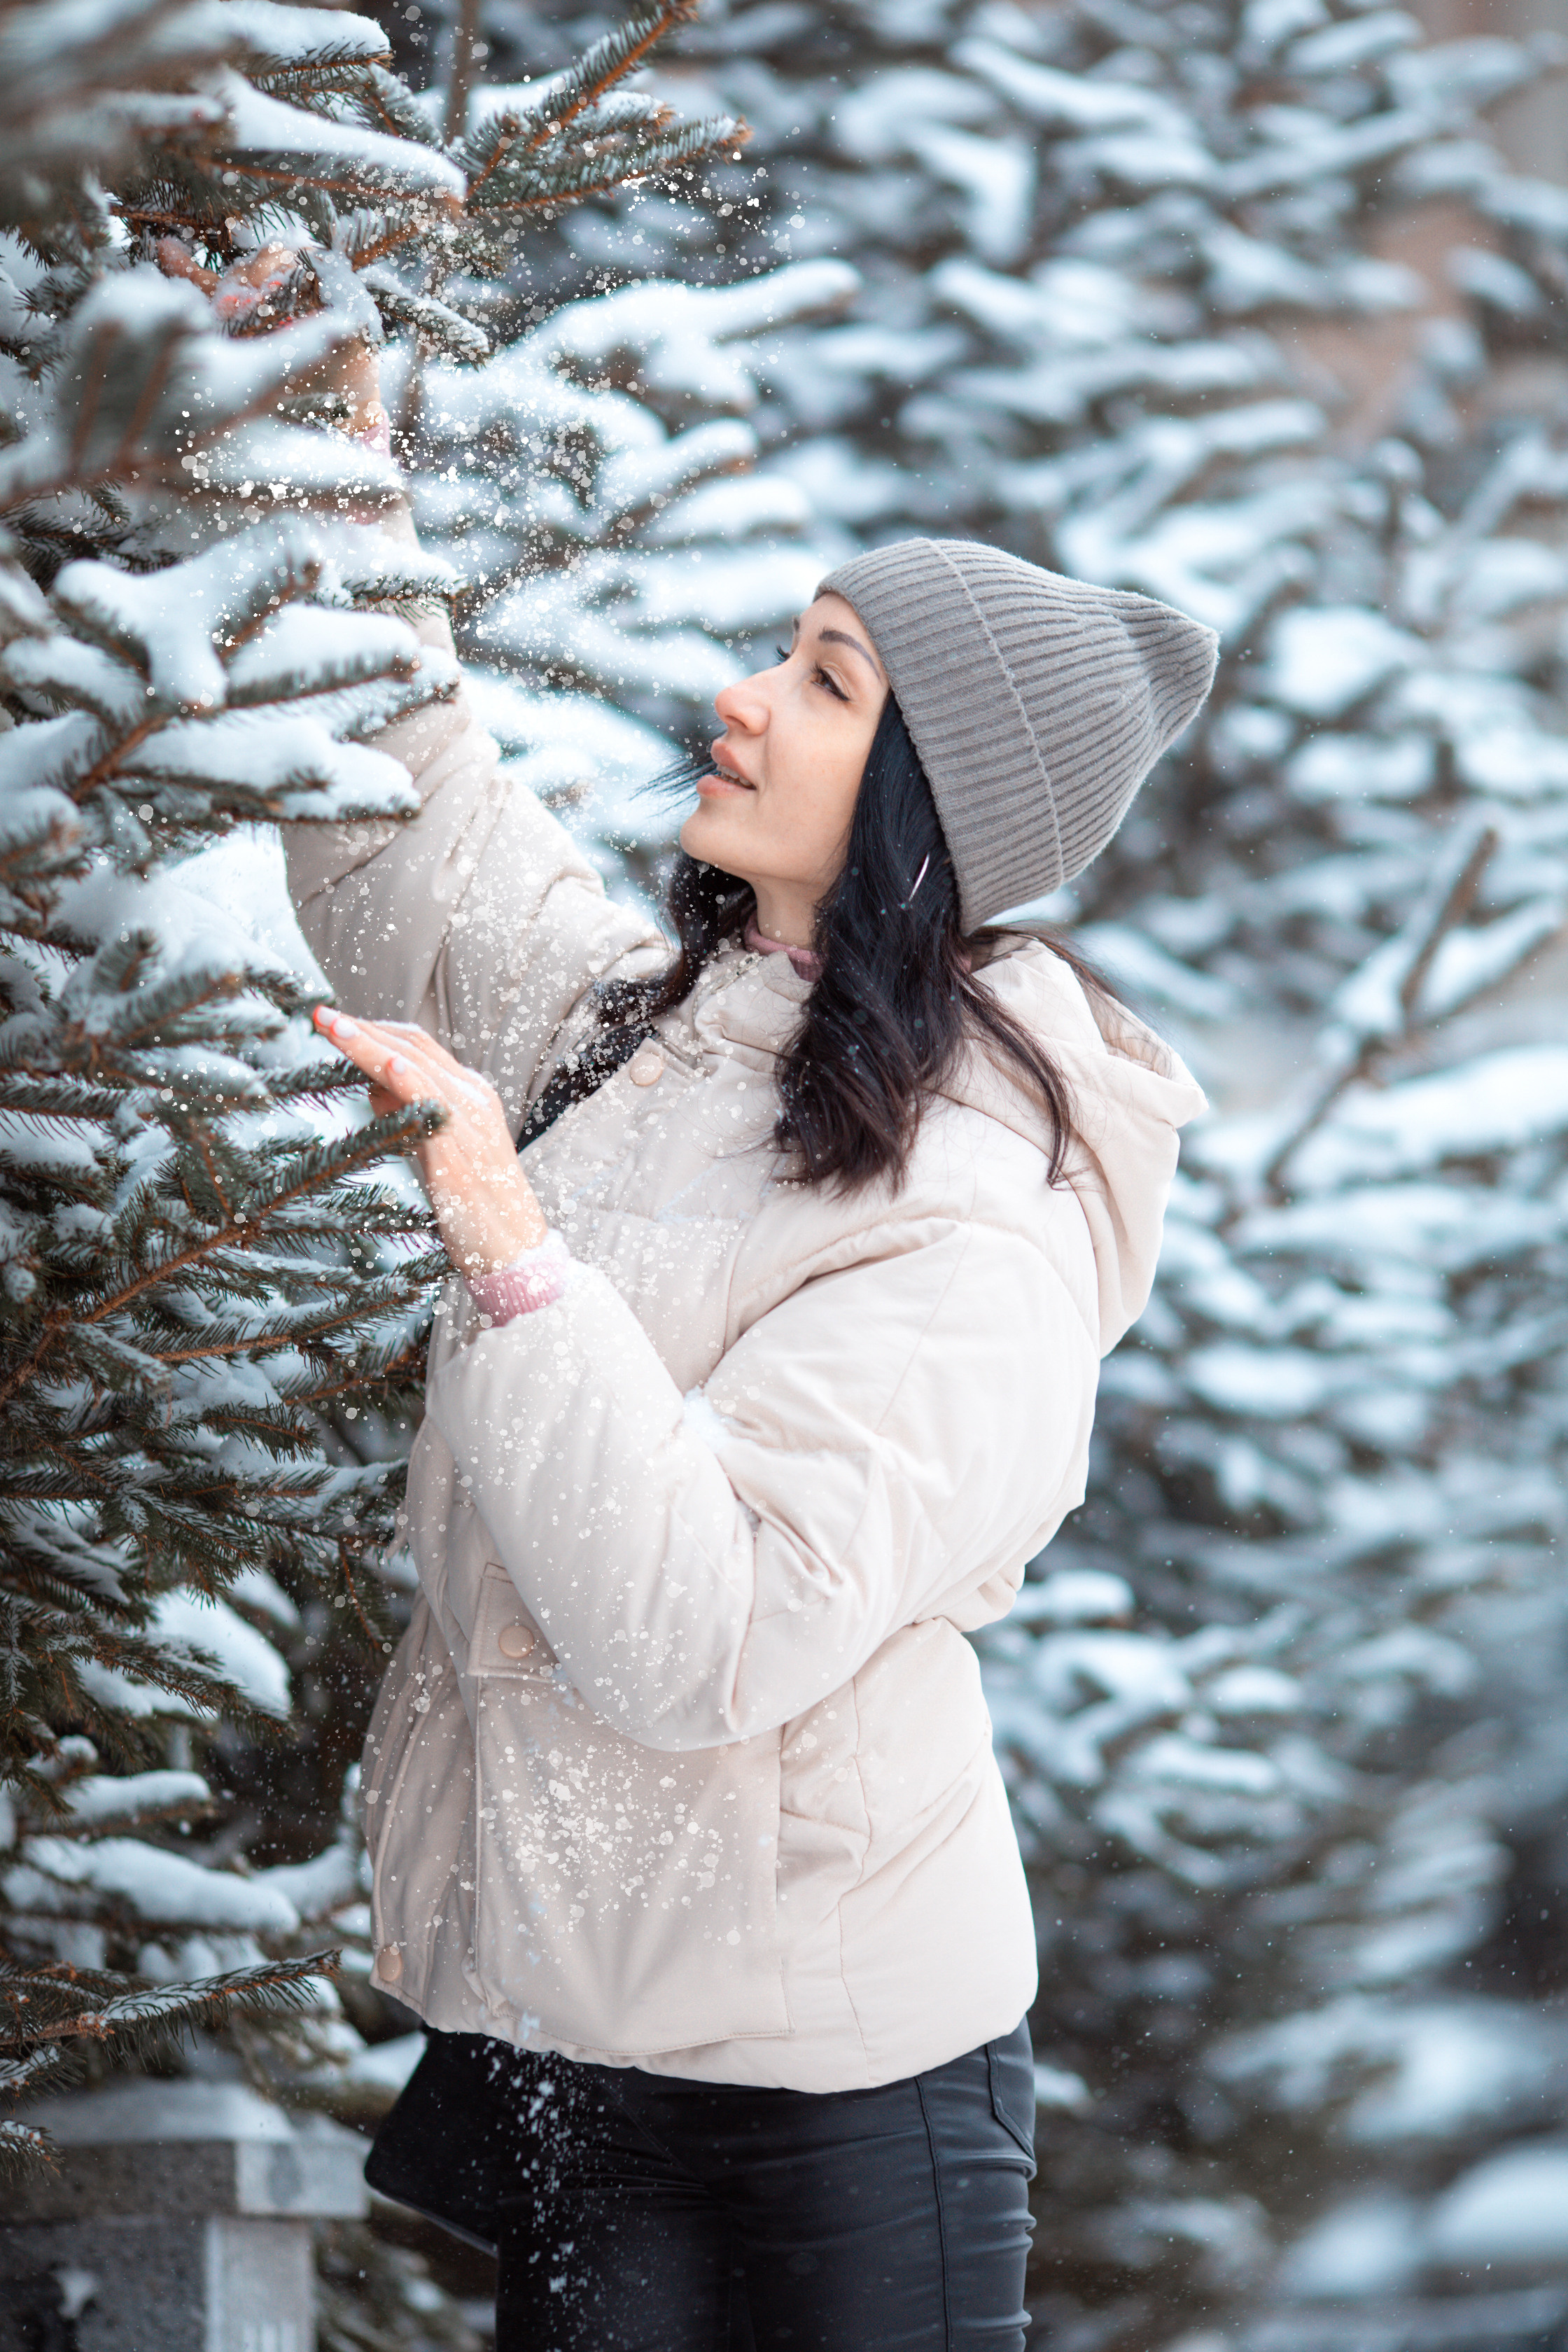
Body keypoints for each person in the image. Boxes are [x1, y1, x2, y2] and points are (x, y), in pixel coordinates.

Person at [176, 244, 1217, 2351]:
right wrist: (318, 462)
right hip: (582, 2036)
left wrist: (505, 1240)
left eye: (828, 679)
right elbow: (419, 834)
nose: (741, 695)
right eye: (786, 647)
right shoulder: (678, 1032)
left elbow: (706, 1627)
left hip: (833, 2122)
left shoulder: (978, 1198)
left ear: (932, 807)